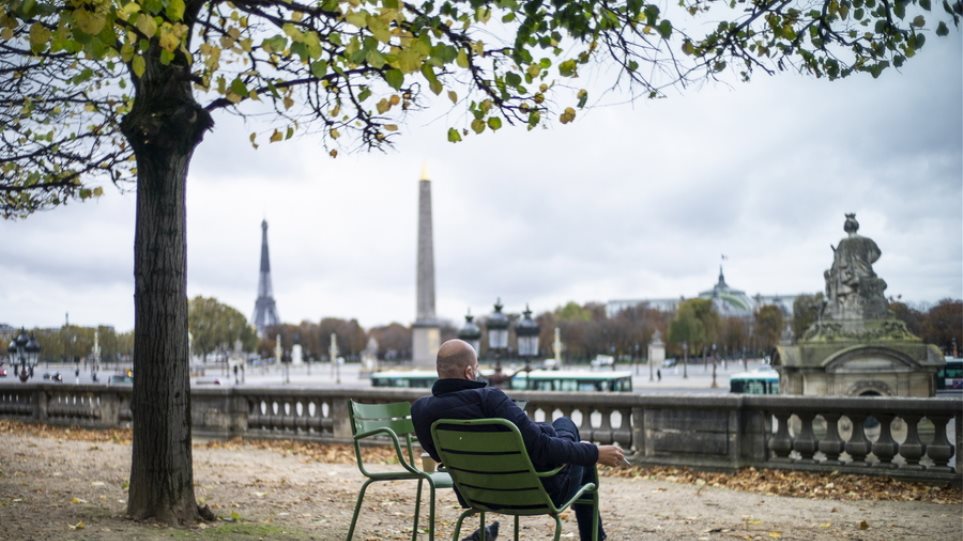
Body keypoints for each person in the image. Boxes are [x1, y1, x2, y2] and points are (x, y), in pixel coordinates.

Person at [412, 339, 624, 541]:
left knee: (558, 432)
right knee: (573, 437)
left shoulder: (420, 410)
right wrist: (596, 453)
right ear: (469, 372)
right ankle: (594, 536)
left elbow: (439, 455)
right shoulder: (489, 398)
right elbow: (541, 449)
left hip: (476, 493)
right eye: (475, 368)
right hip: (537, 492)